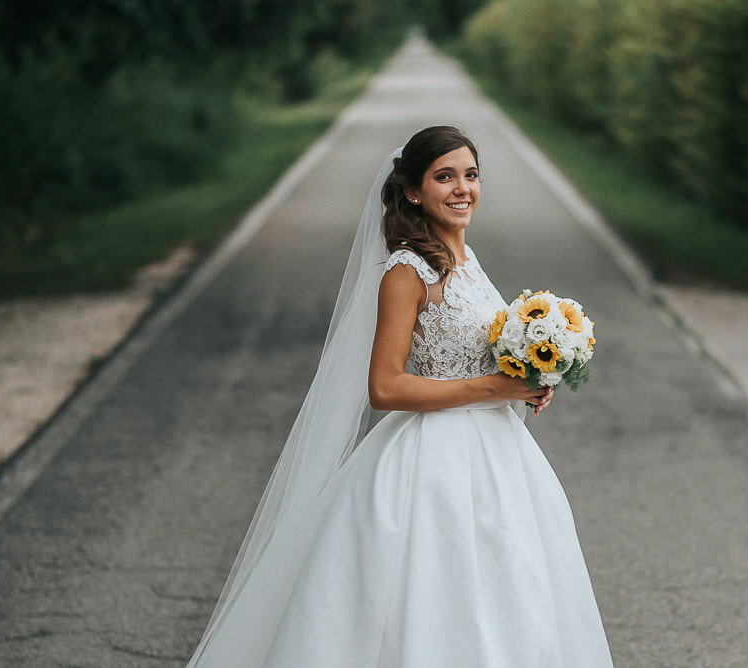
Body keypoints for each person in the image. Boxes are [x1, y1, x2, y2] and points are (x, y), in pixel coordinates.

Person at [187, 126, 614, 667]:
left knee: (515, 587)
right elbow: (385, 387)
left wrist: (530, 382)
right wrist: (495, 387)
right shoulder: (407, 271)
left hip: (500, 450)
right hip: (432, 459)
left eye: (471, 175)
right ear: (414, 191)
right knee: (434, 595)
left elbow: (483, 352)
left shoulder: (467, 259)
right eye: (445, 177)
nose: (463, 189)